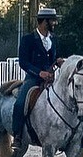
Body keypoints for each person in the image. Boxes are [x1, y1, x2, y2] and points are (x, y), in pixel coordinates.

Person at [13, 8, 60, 142]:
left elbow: (53, 58)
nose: (54, 23)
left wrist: (58, 61)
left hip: (52, 77)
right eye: (52, 21)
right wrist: (39, 73)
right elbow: (23, 62)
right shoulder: (27, 39)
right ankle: (17, 135)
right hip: (33, 78)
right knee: (20, 103)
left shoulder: (53, 39)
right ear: (45, 22)